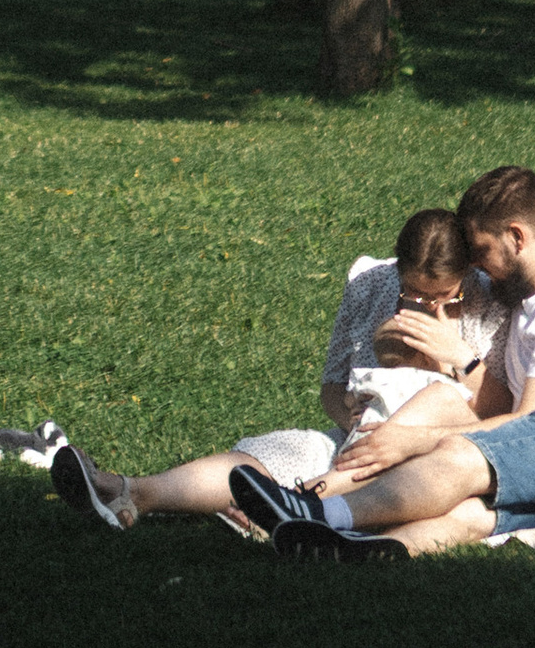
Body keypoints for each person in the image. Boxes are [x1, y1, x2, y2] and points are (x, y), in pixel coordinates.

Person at [230, 162, 535, 559]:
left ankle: (315, 509)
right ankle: (359, 551)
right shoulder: (533, 293)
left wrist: (414, 439)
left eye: (481, 251)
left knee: (461, 452)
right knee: (470, 515)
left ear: (517, 237)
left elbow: (532, 422)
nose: (478, 267)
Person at [48, 206, 491, 534]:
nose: (426, 305)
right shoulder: (371, 285)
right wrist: (350, 416)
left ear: (465, 275)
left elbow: (503, 409)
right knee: (270, 456)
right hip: (356, 437)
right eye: (413, 291)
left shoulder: (487, 306)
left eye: (442, 295)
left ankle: (283, 508)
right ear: (397, 268)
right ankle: (129, 491)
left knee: (366, 466)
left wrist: (454, 355)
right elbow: (332, 384)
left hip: (433, 451)